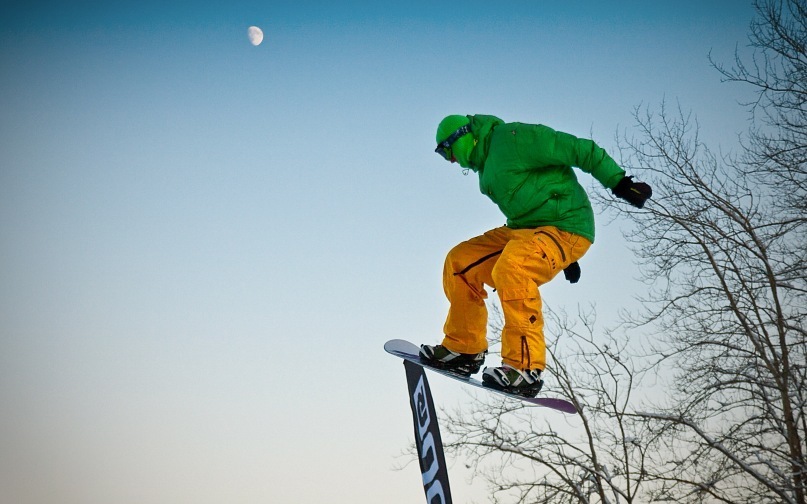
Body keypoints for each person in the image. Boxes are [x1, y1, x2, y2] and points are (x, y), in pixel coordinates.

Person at [420, 114, 652, 396]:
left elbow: (579, 148)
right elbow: (532, 202)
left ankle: (525, 368)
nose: (451, 161)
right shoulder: (486, 165)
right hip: (525, 231)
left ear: (462, 136)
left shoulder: (514, 138)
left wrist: (619, 182)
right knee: (460, 261)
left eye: (447, 152)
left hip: (566, 226)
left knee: (512, 268)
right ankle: (464, 349)